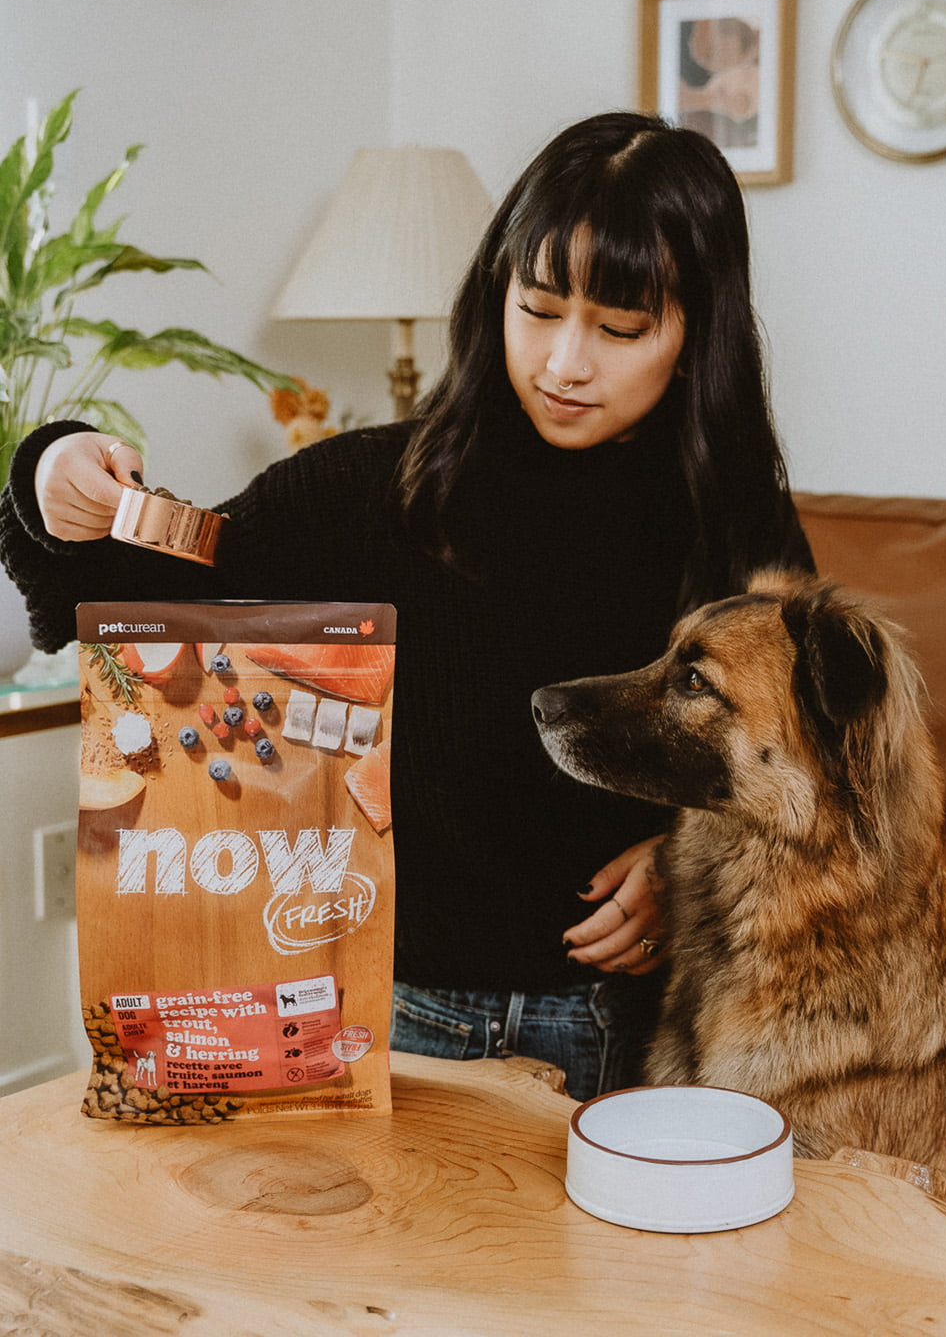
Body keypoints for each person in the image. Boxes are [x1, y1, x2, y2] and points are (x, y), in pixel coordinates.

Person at [0, 111, 813, 1101]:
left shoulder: (736, 525)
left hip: (627, 1024)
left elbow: (818, 769)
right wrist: (50, 473)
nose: (564, 363)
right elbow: (129, 613)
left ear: (694, 338)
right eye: (539, 306)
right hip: (394, 1010)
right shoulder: (364, 489)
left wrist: (692, 857)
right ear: (493, 292)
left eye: (620, 328)